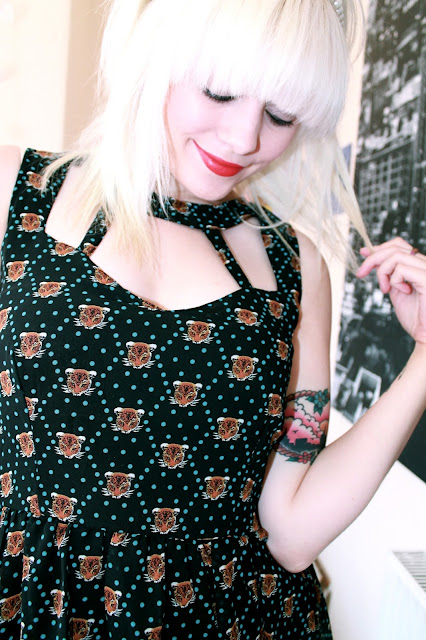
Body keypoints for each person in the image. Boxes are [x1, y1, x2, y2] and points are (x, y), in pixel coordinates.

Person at [0, 0, 424, 638]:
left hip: (229, 617)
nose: (245, 139)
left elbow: (291, 534)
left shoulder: (294, 265)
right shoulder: (17, 190)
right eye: (220, 92)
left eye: (280, 115)